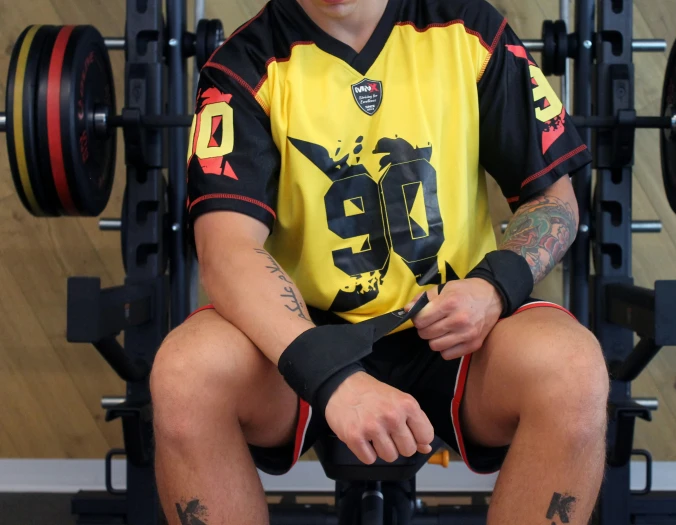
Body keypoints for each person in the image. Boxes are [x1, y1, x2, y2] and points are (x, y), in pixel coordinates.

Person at [151, 0, 609, 523]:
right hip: (305, 338)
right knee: (185, 373)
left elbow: (555, 201)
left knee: (574, 371)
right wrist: (331, 378)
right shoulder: (243, 67)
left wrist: (493, 288)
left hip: (456, 330)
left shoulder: (471, 32)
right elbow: (226, 248)